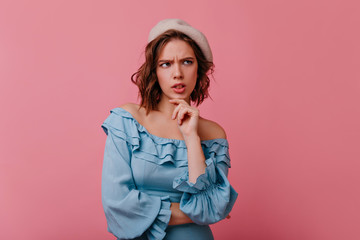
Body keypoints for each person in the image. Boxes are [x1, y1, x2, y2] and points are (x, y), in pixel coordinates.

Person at [101, 18, 238, 240]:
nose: (177, 73)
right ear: (154, 71)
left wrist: (191, 136)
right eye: (166, 64)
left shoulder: (214, 134)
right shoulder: (127, 121)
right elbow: (116, 204)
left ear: (199, 69)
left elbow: (212, 207)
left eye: (186, 62)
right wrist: (201, 210)